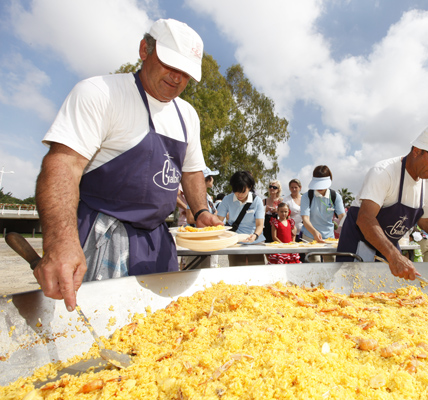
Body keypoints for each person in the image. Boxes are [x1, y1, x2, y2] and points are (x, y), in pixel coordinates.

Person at [34, 18, 221, 312]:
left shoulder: (188, 115)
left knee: (161, 333)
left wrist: (200, 212)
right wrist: (60, 243)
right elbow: (62, 165)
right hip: (101, 236)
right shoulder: (100, 93)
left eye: (185, 72)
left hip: (157, 244)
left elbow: (192, 170)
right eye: (170, 64)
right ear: (144, 49)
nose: (176, 78)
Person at [337, 123, 428, 279]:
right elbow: (365, 218)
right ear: (417, 151)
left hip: (388, 246)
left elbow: (426, 222)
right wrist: (394, 255)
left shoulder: (425, 182)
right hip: (358, 245)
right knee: (352, 292)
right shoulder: (384, 172)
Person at [217, 171, 266, 265]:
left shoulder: (257, 201)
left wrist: (255, 235)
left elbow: (260, 225)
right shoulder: (227, 199)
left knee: (257, 270)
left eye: (243, 191)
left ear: (250, 187)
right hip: (235, 242)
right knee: (236, 270)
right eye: (236, 191)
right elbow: (218, 221)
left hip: (255, 241)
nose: (239, 195)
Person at [301, 166, 346, 262]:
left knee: (331, 265)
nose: (320, 187)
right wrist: (314, 233)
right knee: (314, 265)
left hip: (329, 238)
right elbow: (305, 219)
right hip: (310, 236)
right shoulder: (306, 196)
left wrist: (347, 233)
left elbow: (342, 217)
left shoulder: (335, 196)